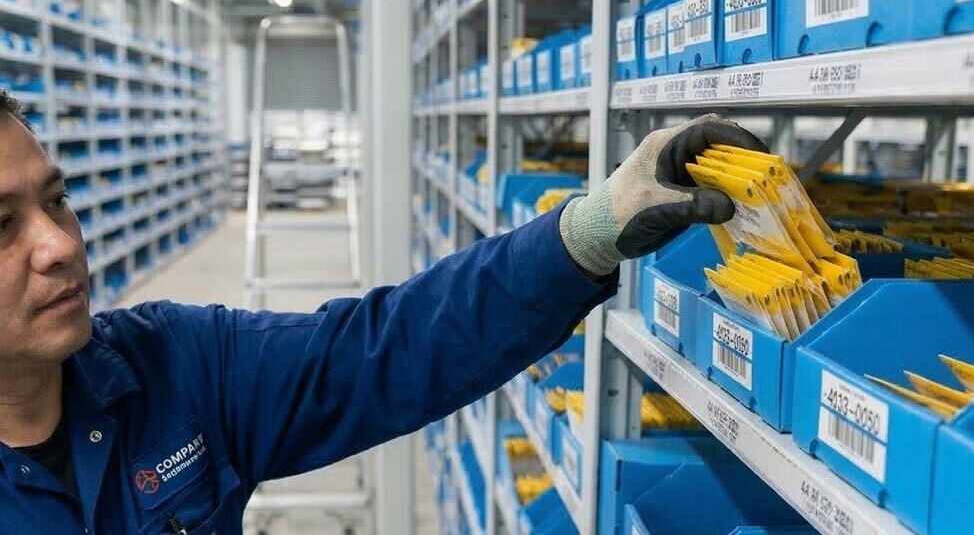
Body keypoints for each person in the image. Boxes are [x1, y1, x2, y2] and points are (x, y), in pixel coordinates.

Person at [0, 88, 765, 533]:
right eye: (3, 227)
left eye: (57, 201)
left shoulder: (171, 366)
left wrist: (592, 230)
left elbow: (385, 347)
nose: (58, 245)